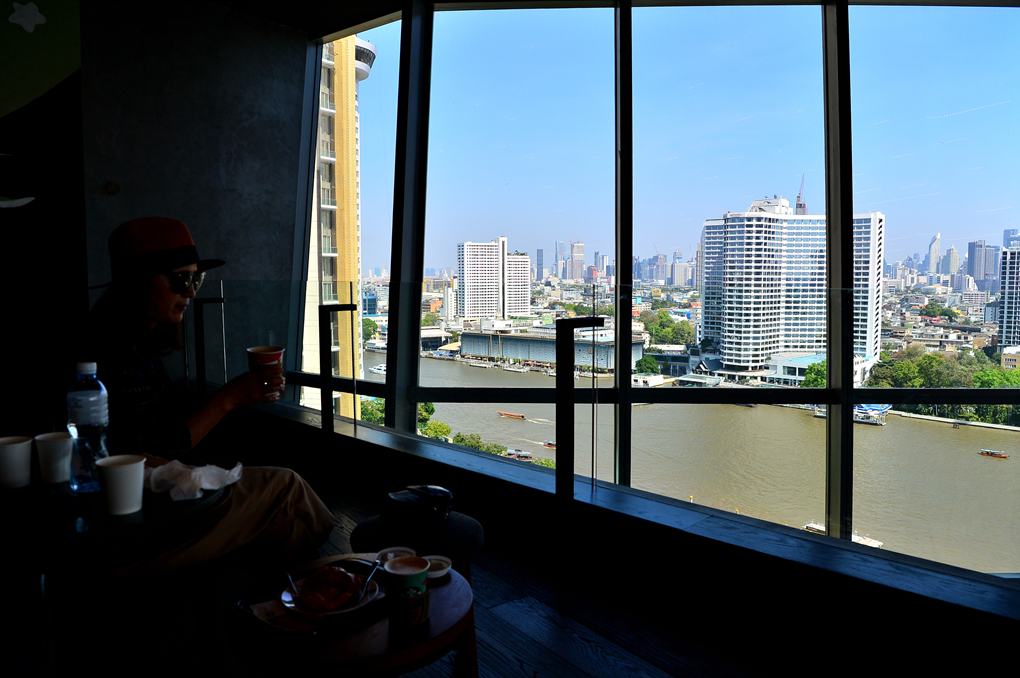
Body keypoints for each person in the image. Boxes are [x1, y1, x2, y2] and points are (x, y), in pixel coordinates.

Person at [87, 216, 334, 573]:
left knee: (290, 530)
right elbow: (160, 451)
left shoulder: (132, 342)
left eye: (196, 279)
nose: (191, 292)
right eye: (181, 279)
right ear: (137, 281)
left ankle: (312, 599)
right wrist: (229, 398)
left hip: (149, 508)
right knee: (287, 486)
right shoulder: (120, 353)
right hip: (141, 526)